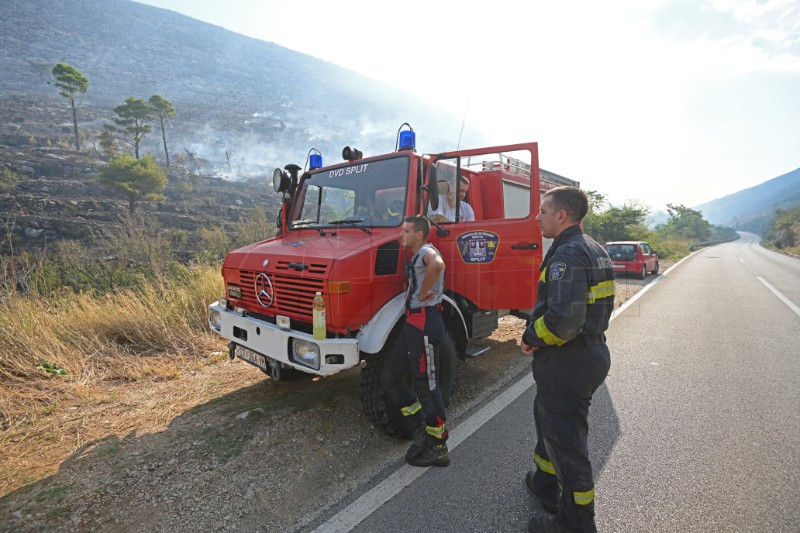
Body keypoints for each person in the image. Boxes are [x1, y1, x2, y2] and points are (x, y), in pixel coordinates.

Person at [520, 187, 615, 533]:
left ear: (561, 215)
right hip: (588, 353)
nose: (538, 217)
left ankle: (574, 523)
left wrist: (531, 338)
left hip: (567, 360)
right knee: (549, 423)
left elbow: (565, 321)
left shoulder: (568, 254)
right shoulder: (595, 249)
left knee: (568, 445)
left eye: (543, 211)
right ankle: (545, 484)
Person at [380, 215, 450, 467]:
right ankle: (419, 428)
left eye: (405, 231)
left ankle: (439, 446)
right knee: (391, 376)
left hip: (425, 323)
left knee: (427, 386)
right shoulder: (415, 253)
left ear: (418, 234)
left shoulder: (426, 252)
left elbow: (438, 264)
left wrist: (422, 293)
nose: (401, 235)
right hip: (412, 324)